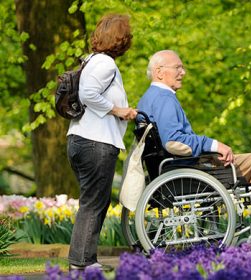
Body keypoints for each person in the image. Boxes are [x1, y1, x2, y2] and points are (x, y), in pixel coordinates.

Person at [137, 50, 251, 247]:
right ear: (159, 72)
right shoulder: (164, 98)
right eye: (178, 67)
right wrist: (213, 145)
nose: (183, 72)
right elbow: (174, 141)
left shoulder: (148, 99)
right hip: (188, 169)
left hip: (174, 168)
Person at [66, 14, 137, 271]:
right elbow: (87, 94)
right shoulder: (106, 64)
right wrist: (120, 111)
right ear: (121, 39)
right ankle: (82, 263)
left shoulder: (91, 61)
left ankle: (82, 260)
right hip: (95, 142)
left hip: (80, 139)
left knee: (92, 200)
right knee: (94, 201)